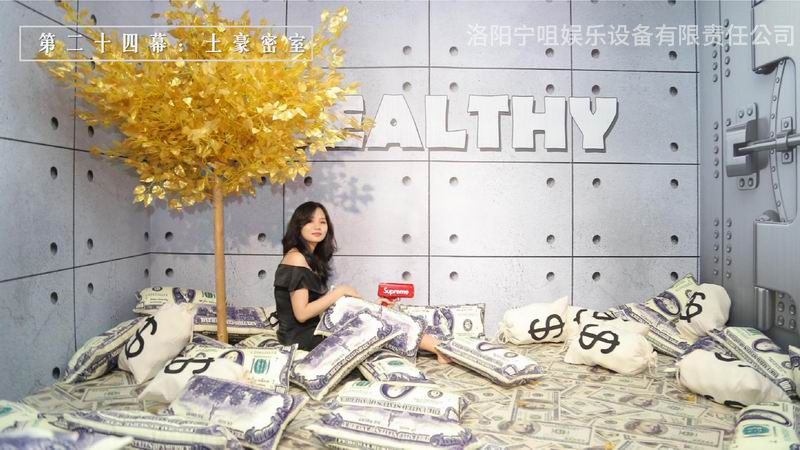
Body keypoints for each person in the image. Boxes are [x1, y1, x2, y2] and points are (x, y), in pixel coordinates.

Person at [273, 201, 450, 363]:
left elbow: (320, 306)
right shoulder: (296, 258)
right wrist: (339, 292)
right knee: (374, 325)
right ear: (298, 226)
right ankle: (437, 347)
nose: (317, 226)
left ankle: (436, 346)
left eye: (322, 222)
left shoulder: (309, 259)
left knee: (376, 317)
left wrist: (370, 306)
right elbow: (302, 313)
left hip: (316, 330)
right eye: (309, 221)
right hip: (302, 339)